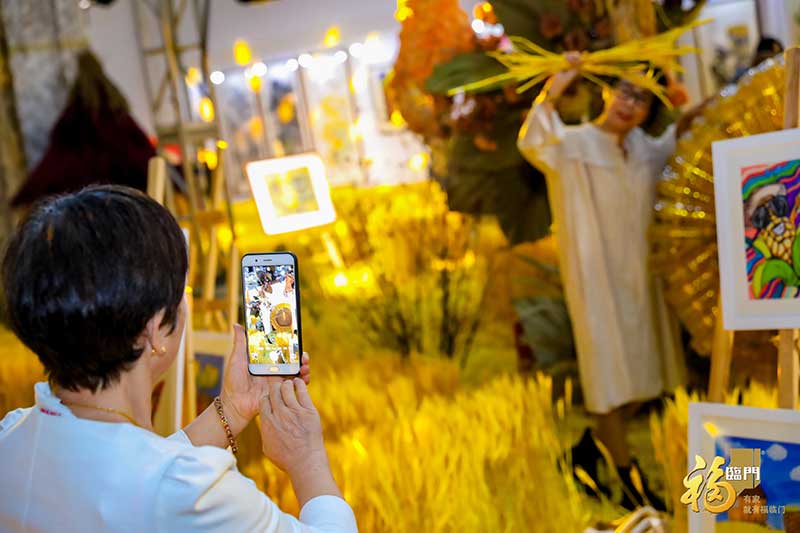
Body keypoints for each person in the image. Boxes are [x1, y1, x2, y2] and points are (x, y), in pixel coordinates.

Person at [0, 185, 357, 532]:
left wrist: (231, 409)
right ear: (156, 329)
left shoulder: (12, 438)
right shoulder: (200, 495)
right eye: (181, 293)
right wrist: (308, 459)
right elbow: (162, 489)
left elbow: (128, 478)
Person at [517, 52, 703, 510]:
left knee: (645, 378)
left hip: (642, 283)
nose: (629, 104)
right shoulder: (571, 146)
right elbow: (533, 139)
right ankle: (629, 483)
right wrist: (558, 82)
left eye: (642, 98)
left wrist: (688, 98)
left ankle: (586, 451)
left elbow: (683, 134)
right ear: (607, 91)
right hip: (596, 283)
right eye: (625, 91)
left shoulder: (644, 149)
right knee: (608, 381)